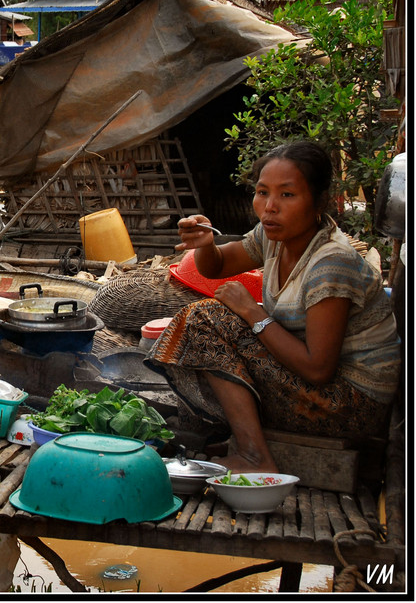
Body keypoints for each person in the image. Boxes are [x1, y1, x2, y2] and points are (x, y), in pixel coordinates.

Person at [146, 141, 400, 472]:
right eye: (262, 192)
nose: (270, 207)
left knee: (207, 319)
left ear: (319, 201)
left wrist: (253, 312)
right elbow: (217, 265)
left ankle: (254, 455)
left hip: (351, 404)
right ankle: (247, 439)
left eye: (287, 195)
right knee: (210, 318)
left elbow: (318, 370)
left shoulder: (332, 263)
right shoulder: (275, 237)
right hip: (321, 384)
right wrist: (206, 245)